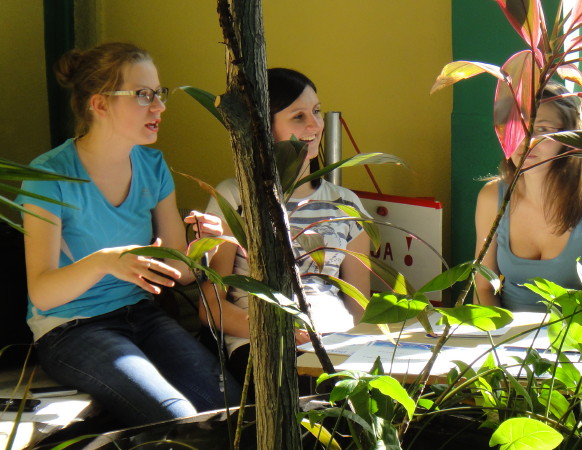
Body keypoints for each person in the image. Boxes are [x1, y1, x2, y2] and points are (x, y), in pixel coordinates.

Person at [16, 42, 241, 426]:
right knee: (176, 419)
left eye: (159, 93)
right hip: (71, 329)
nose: (160, 106)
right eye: (143, 95)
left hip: (142, 316)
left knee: (233, 407)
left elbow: (181, 274)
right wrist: (105, 262)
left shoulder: (153, 166)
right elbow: (42, 292)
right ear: (99, 104)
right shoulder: (48, 176)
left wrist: (204, 247)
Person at [201, 68, 370, 383]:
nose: (315, 125)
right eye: (298, 116)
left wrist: (357, 346)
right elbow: (212, 305)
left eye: (316, 111)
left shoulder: (345, 203)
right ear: (264, 127)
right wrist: (280, 331)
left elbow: (359, 302)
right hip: (263, 344)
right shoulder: (236, 196)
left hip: (338, 342)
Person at [473, 82, 582, 312]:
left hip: (571, 331)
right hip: (504, 329)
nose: (525, 140)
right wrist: (500, 331)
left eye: (541, 129)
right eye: (516, 127)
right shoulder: (492, 197)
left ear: (569, 137)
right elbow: (483, 288)